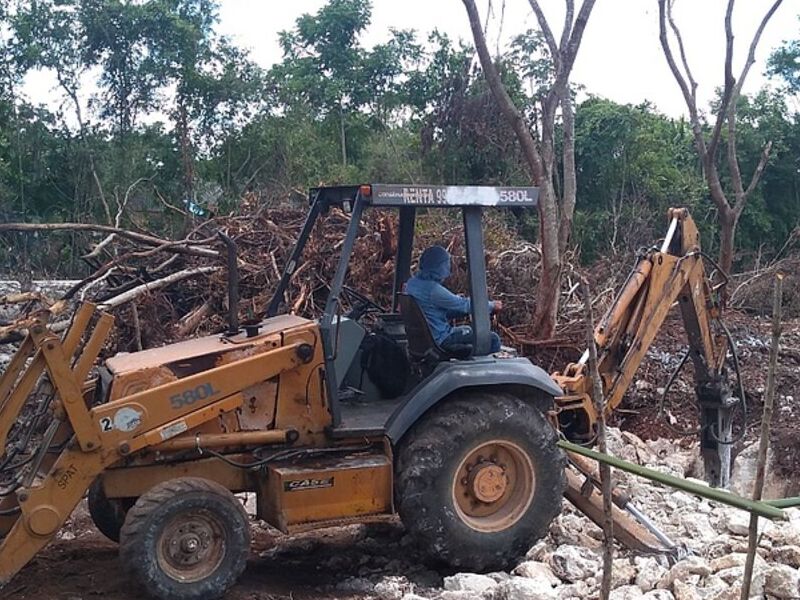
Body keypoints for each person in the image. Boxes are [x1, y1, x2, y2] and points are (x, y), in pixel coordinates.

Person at [405, 245, 503, 354]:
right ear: (439, 266)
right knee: (493, 339)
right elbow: (464, 304)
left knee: (468, 330)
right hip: (442, 340)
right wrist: (491, 305)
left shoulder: (412, 284)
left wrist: (459, 311)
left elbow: (432, 312)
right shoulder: (433, 290)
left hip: (426, 341)